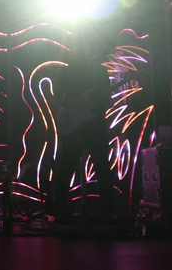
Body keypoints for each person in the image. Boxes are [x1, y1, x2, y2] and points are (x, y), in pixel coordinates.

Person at [48, 37, 115, 221]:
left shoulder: (100, 70)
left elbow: (107, 99)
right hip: (76, 126)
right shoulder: (66, 71)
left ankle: (106, 212)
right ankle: (60, 210)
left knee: (101, 168)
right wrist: (75, 103)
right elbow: (56, 97)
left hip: (95, 124)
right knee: (69, 167)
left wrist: (103, 101)